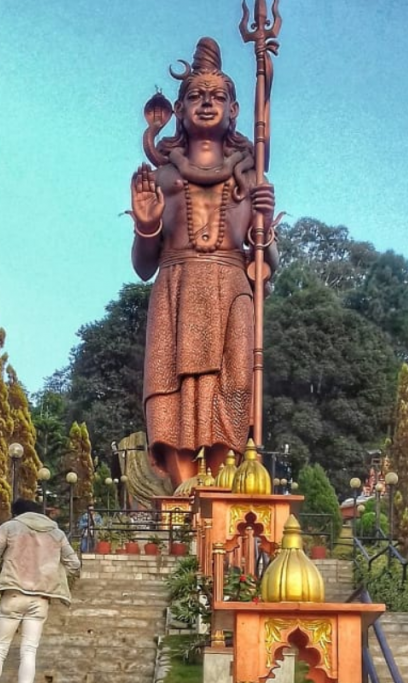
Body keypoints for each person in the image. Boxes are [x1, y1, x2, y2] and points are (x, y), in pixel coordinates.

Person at [129, 36, 277, 489]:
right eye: (195, 96)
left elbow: (265, 266)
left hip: (231, 287)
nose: (207, 104)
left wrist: (264, 226)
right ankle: (183, 484)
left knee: (232, 385)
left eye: (218, 97)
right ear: (178, 109)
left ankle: (219, 481)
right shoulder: (163, 177)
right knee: (172, 389)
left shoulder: (250, 178)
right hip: (177, 283)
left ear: (234, 109)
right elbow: (142, 266)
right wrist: (146, 225)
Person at [0, 499, 81, 683]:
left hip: (12, 593)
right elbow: (75, 564)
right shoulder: (56, 533)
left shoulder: (10, 527)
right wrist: (54, 575)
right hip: (40, 599)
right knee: (29, 651)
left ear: (16, 513)